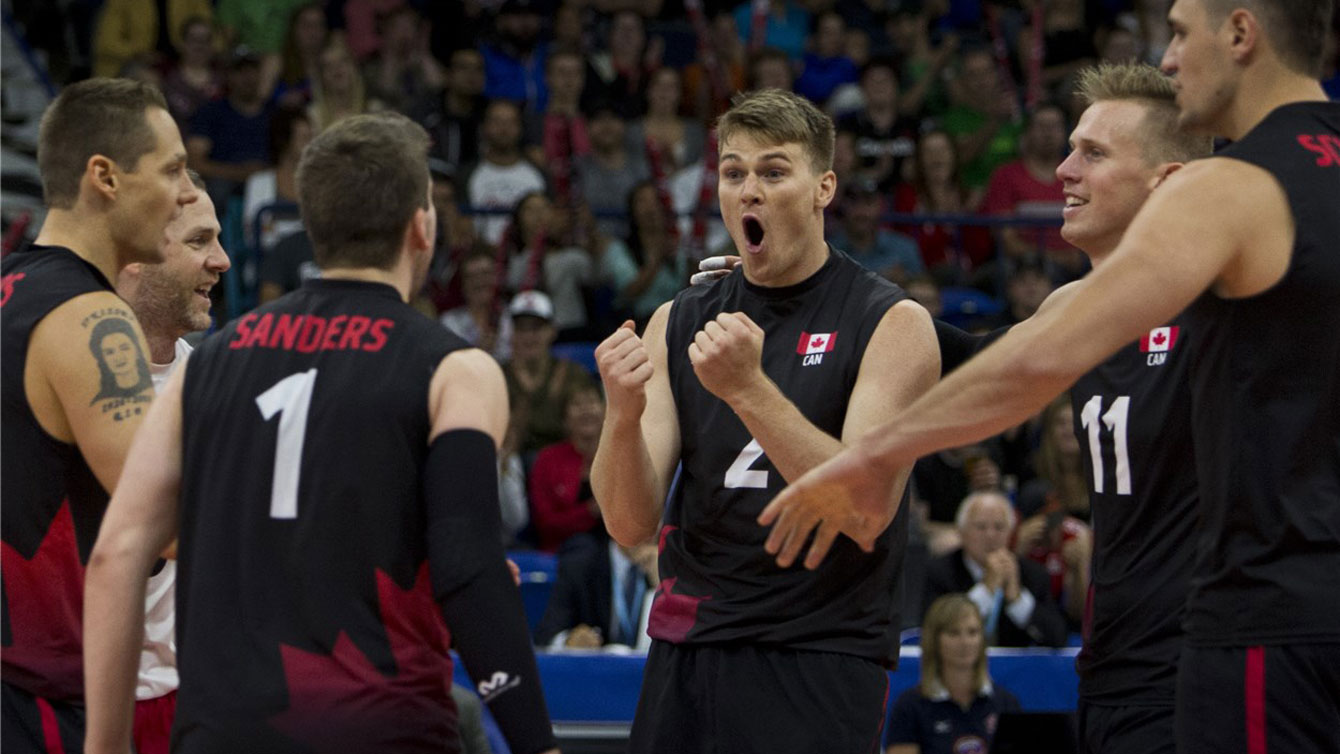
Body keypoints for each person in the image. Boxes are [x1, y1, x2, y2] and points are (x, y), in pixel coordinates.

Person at [767, 5, 1340, 749]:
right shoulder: (1293, 192)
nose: (1167, 57)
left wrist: (872, 457)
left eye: (1177, 31)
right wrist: (793, 287)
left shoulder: (1231, 198)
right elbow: (986, 354)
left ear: (1239, 33)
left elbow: (1032, 367)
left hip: (1253, 625)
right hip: (1156, 651)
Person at [82, 112, 558, 754]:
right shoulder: (456, 369)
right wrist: (538, 742)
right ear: (421, 226)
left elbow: (116, 557)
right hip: (378, 721)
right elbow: (469, 567)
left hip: (222, 726)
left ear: (315, 227)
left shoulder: (211, 364)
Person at [590, 88, 938, 753]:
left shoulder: (890, 322)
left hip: (818, 650)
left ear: (823, 188)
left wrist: (749, 389)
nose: (749, 190)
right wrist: (622, 413)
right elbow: (628, 521)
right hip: (689, 646)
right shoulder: (680, 319)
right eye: (734, 172)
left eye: (774, 172)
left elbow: (864, 512)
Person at [1, 77, 198, 752]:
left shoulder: (10, 291)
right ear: (105, 177)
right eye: (171, 169)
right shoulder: (92, 315)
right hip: (36, 697)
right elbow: (166, 522)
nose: (181, 191)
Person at [111, 170, 230, 754]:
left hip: (198, 696)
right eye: (199, 241)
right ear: (137, 255)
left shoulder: (220, 384)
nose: (223, 260)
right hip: (79, 697)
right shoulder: (52, 376)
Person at [923, 492, 1068, 648]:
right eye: (980, 527)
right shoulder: (940, 571)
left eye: (999, 527)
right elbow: (933, 631)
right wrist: (986, 589)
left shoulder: (1033, 574)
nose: (990, 535)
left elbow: (1058, 638)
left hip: (1016, 670)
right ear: (962, 532)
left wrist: (1017, 600)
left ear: (1010, 534)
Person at [884, 593, 1022, 754]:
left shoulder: (1006, 703)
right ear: (934, 640)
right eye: (954, 633)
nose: (965, 642)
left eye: (972, 632)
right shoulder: (909, 707)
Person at [535, 532, 659, 650]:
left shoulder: (669, 569)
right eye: (638, 518)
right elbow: (546, 634)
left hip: (650, 667)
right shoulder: (580, 567)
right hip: (598, 667)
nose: (647, 529)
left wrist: (663, 587)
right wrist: (569, 641)